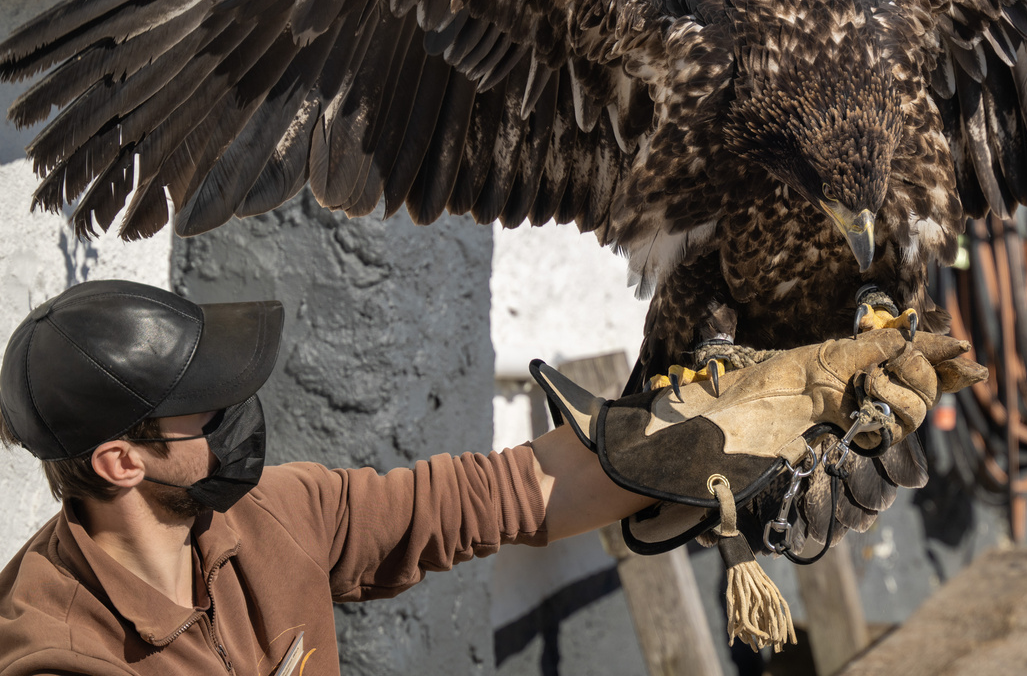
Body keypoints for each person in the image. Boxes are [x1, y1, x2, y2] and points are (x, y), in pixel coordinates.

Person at [0, 279, 972, 674]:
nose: (241, 420)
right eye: (207, 412)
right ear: (120, 462)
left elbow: (514, 493)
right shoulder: (56, 655)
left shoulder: (273, 516)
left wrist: (773, 405)